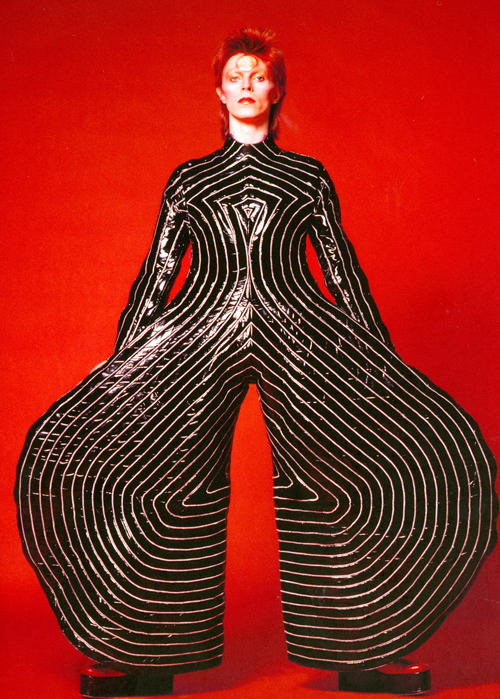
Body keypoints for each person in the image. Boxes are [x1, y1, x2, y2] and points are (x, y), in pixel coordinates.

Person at [15, 27, 497, 698]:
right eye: (234, 75)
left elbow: (341, 270)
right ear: (218, 92)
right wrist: (125, 356)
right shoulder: (188, 179)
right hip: (199, 328)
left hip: (297, 329)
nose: (246, 84)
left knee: (338, 471)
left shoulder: (308, 176)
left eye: (259, 75)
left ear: (277, 91)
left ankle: (365, 648)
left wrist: (380, 355)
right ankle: (145, 652)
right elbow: (158, 272)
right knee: (165, 474)